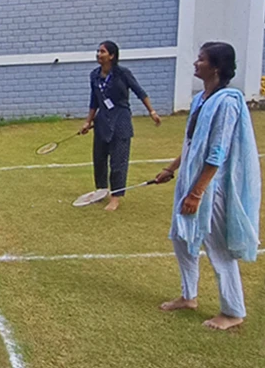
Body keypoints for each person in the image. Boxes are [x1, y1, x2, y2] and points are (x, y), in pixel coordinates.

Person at [153, 42, 261, 331]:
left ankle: (233, 311)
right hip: (190, 180)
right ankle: (188, 296)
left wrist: (197, 193)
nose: (195, 63)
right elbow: (192, 144)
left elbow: (217, 152)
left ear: (215, 67)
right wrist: (171, 168)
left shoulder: (227, 102)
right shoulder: (202, 98)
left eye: (201, 59)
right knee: (181, 237)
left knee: (217, 248)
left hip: (210, 187)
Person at [79, 41, 162, 212]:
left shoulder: (123, 73)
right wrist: (88, 121)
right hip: (102, 121)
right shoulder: (94, 75)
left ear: (112, 55)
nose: (98, 54)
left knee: (118, 161)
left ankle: (115, 197)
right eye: (98, 51)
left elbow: (140, 92)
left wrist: (152, 112)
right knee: (99, 159)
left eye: (102, 51)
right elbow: (94, 100)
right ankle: (101, 190)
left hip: (121, 120)